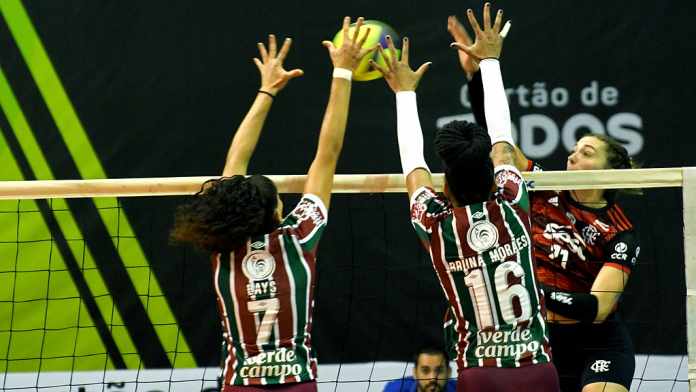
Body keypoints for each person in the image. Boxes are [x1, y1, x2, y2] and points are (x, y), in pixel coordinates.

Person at [171, 18, 375, 391]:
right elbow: (326, 154)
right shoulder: (299, 238)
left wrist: (266, 91)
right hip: (296, 383)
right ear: (278, 213)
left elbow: (234, 167)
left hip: (241, 383)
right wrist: (342, 72)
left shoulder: (223, 245)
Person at [450, 8, 641, 392]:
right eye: (573, 149)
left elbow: (595, 308)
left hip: (598, 343)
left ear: (611, 169)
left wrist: (531, 291)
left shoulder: (621, 233)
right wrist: (478, 74)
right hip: (539, 342)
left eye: (587, 152)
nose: (573, 156)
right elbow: (498, 141)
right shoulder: (542, 186)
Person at [371, 4, 559, 391]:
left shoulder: (435, 224)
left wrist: (404, 94)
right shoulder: (513, 201)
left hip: (481, 371)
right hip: (537, 366)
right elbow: (503, 147)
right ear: (494, 180)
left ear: (445, 187)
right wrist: (490, 61)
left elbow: (414, 166)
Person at [383, 347, 455, 392]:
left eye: (439, 371)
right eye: (425, 371)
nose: (432, 378)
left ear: (449, 372)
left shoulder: (462, 388)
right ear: (415, 373)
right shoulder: (395, 389)